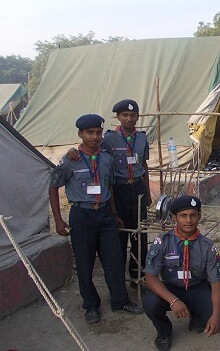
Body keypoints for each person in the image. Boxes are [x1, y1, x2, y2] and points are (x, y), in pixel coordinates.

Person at [49, 114, 143, 324]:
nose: (95, 136)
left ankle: (120, 301)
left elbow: (108, 186)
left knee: (115, 259)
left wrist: (114, 214)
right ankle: (91, 305)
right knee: (84, 263)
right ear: (80, 134)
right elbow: (53, 187)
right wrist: (58, 220)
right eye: (90, 132)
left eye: (98, 132)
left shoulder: (106, 158)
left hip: (104, 214)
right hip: (82, 215)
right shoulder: (69, 161)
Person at [67, 99, 152, 286]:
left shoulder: (143, 137)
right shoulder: (108, 138)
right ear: (118, 117)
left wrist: (147, 192)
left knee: (140, 235)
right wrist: (71, 151)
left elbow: (144, 165)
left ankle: (137, 277)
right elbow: (92, 154)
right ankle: (119, 279)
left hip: (137, 188)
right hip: (118, 189)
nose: (129, 119)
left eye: (133, 115)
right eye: (124, 115)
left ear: (138, 116)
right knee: (119, 235)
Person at [143, 195, 220, 351]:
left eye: (193, 215)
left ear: (199, 217)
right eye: (183, 216)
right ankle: (164, 331)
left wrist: (216, 315)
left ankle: (196, 318)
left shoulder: (208, 247)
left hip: (197, 288)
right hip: (172, 287)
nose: (188, 220)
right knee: (150, 302)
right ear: (174, 217)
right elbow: (150, 277)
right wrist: (173, 300)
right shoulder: (162, 242)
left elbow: (216, 283)